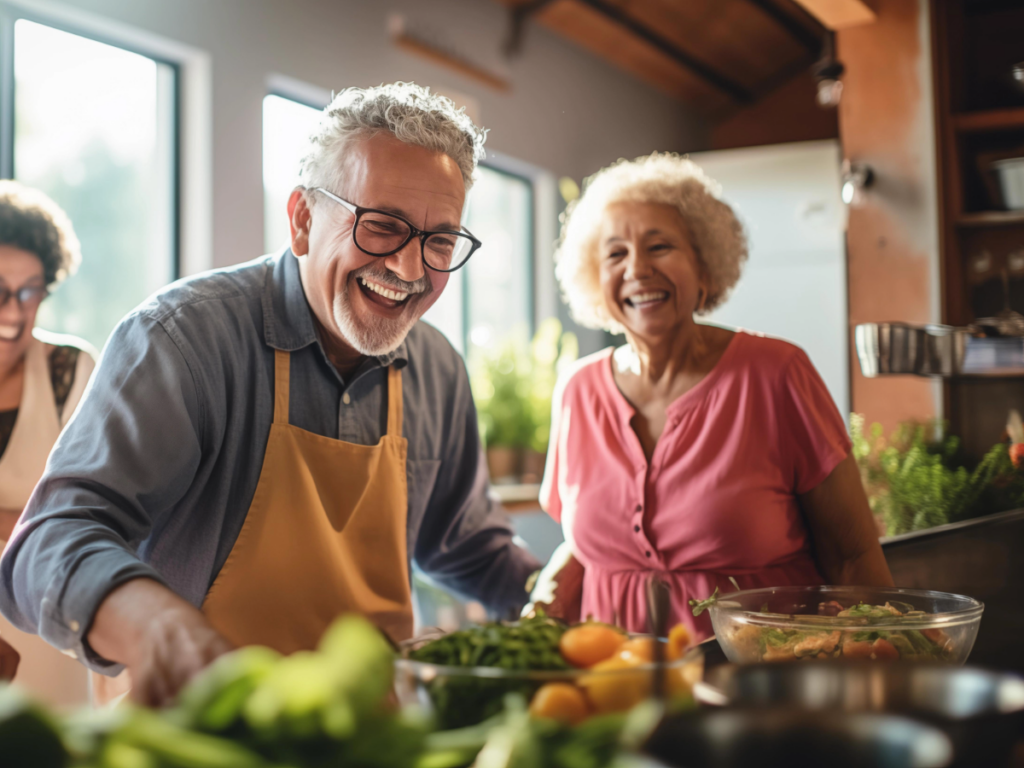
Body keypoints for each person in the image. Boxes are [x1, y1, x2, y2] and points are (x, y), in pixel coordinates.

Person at [0, 83, 540, 706]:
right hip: (201, 732)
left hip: (371, 735)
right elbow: (50, 540)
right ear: (304, 220)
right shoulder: (183, 338)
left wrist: (568, 602)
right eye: (384, 227)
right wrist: (161, 628)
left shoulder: (437, 368)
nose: (411, 269)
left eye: (440, 241)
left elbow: (466, 544)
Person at [531, 153, 893, 640]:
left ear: (705, 266)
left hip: (758, 682)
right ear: (596, 280)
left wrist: (878, 659)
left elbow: (853, 556)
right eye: (615, 253)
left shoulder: (776, 373)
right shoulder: (578, 390)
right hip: (615, 688)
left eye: (659, 246)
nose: (637, 268)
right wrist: (534, 617)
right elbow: (589, 542)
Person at [0, 181, 96, 705]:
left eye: (31, 290)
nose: (15, 312)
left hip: (46, 626)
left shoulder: (70, 371)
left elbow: (81, 518)